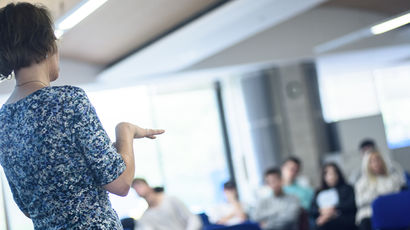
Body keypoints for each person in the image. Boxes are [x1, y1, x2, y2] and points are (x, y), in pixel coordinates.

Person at [0, 3, 164, 229]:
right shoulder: (68, 101)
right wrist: (125, 131)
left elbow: (28, 207)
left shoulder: (2, 122)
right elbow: (121, 183)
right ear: (48, 46)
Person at [355, 150, 404, 230]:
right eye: (372, 161)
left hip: (392, 210)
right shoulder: (362, 183)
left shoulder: (393, 179)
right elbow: (360, 202)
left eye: (378, 160)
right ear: (367, 165)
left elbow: (398, 196)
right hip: (369, 213)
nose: (376, 163)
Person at [132, 178, 202, 230]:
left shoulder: (171, 200)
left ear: (148, 186)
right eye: (135, 188)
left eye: (139, 185)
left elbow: (193, 219)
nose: (137, 189)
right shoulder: (146, 217)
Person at [310, 163, 357, 230]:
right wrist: (322, 211)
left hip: (343, 219)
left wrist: (332, 210)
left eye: (333, 173)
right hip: (323, 220)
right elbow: (313, 209)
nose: (331, 177)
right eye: (328, 174)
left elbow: (350, 204)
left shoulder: (347, 188)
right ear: (324, 176)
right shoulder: (318, 192)